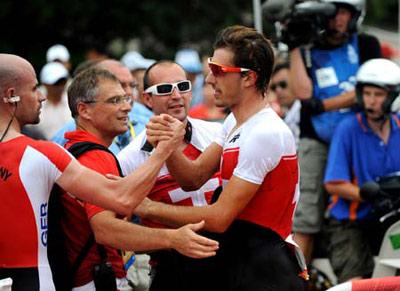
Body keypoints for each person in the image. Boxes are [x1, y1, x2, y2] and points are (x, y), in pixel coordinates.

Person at [0, 54, 218, 291]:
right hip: (84, 280)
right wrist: (172, 238)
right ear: (85, 110)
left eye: (126, 96)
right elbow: (112, 218)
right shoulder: (74, 154)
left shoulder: (64, 150)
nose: (127, 106)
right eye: (115, 100)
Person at [137, 25, 305, 291]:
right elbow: (192, 178)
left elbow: (219, 217)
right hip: (242, 259)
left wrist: (146, 207)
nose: (210, 79)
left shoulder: (265, 132)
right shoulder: (235, 121)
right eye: (210, 68)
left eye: (218, 71)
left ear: (249, 78)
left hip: (266, 268)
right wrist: (168, 145)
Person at [289, 0, 381, 264]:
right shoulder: (308, 48)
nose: (337, 19)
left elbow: (371, 88)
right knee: (306, 217)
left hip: (360, 137)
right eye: (331, 13)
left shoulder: (366, 44)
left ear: (355, 16)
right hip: (316, 139)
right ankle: (299, 279)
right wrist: (295, 45)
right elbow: (303, 94)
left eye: (344, 13)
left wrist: (323, 105)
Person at [117, 60, 223, 290]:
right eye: (165, 89)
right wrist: (166, 239)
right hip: (171, 269)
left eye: (183, 86)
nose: (176, 96)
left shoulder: (217, 134)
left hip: (229, 262)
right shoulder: (129, 158)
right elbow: (117, 231)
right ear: (147, 99)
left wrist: (148, 208)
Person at [323, 58, 400, 283]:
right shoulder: (347, 129)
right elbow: (333, 183)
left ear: (393, 96)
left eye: (378, 95)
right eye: (367, 94)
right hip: (351, 220)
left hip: (392, 217)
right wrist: (368, 194)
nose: (371, 101)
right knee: (354, 280)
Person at [51, 59, 147, 153]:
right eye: (115, 100)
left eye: (132, 85)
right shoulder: (65, 141)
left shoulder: (146, 123)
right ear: (84, 110)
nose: (129, 92)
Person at [26, 61, 71, 140]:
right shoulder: (32, 103)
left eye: (62, 82)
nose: (59, 86)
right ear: (45, 84)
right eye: (55, 83)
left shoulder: (73, 101)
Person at [270, 62, 300, 146]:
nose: (278, 90)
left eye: (283, 84)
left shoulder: (307, 112)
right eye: (273, 87)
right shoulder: (283, 117)